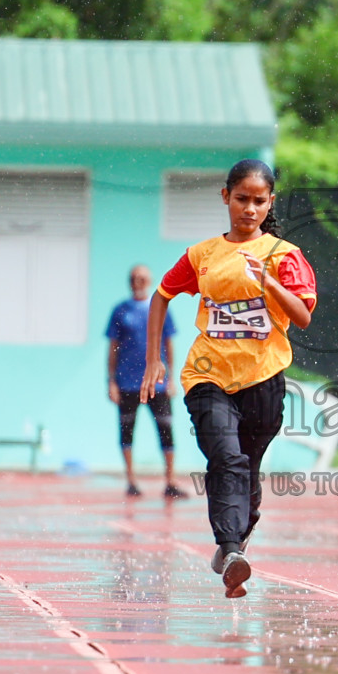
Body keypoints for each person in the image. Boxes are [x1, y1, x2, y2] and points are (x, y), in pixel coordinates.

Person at [141, 160, 317, 598]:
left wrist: (270, 285)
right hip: (207, 373)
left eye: (260, 201)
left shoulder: (283, 255)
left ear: (270, 202)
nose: (250, 209)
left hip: (263, 376)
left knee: (246, 470)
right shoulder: (203, 255)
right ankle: (231, 548)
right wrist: (152, 361)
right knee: (226, 458)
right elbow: (162, 295)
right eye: (242, 199)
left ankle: (233, 544)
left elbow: (304, 316)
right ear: (226, 197)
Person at [106, 265, 185, 499]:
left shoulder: (159, 307)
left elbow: (169, 343)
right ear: (129, 282)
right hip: (127, 383)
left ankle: (170, 481)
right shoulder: (120, 311)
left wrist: (171, 377)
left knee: (166, 430)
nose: (138, 281)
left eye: (142, 278)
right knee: (127, 431)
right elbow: (112, 349)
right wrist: (111, 381)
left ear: (149, 280)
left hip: (157, 382)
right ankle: (131, 481)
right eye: (134, 278)